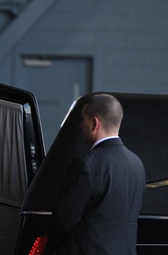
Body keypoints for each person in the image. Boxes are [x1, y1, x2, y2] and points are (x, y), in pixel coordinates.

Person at [44, 94, 145, 255]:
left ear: (94, 123)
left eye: (83, 119)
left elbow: (64, 220)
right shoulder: (137, 165)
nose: (80, 125)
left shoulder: (86, 164)